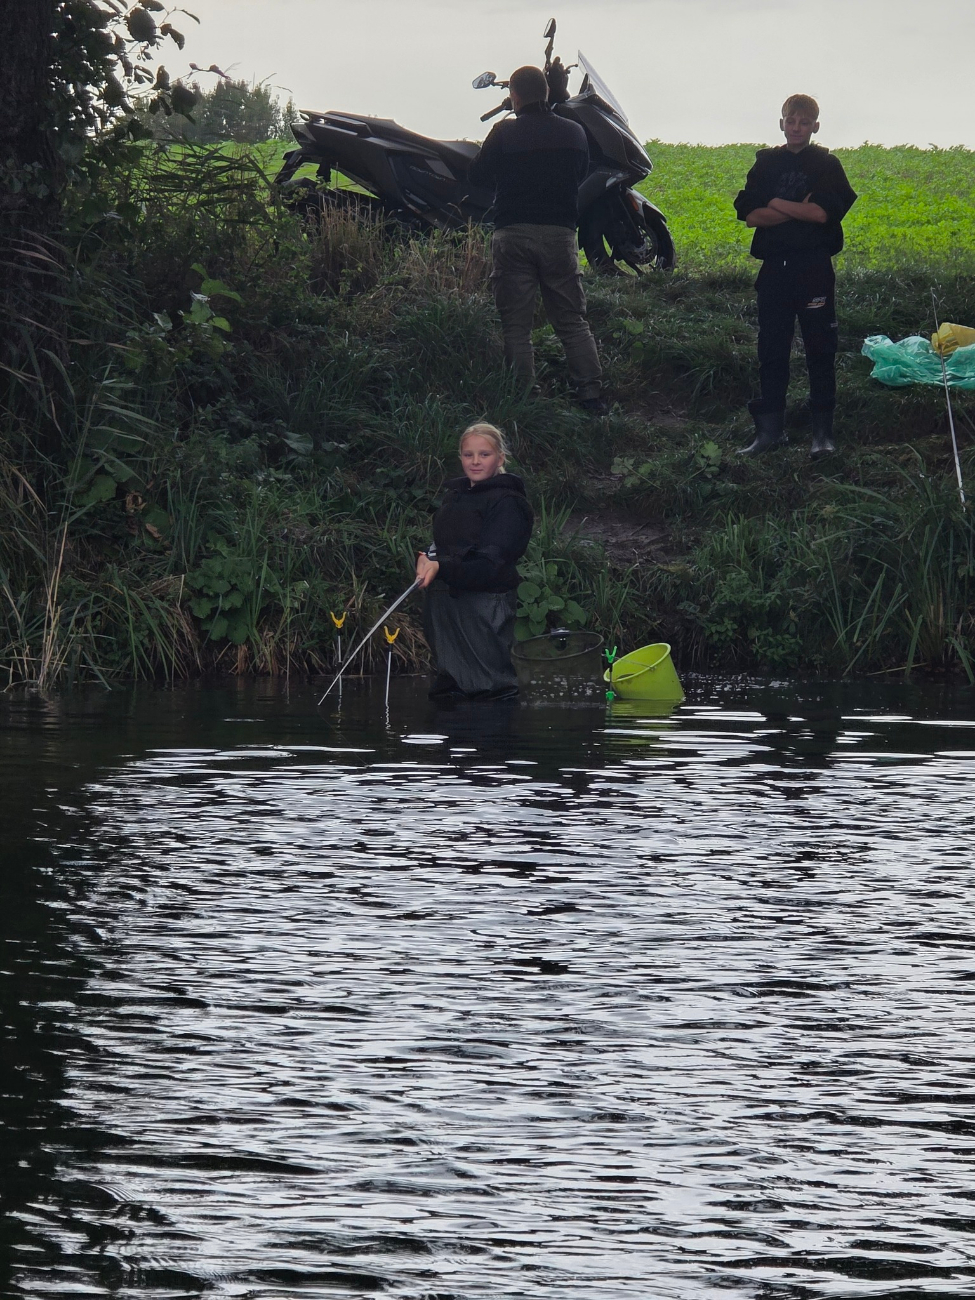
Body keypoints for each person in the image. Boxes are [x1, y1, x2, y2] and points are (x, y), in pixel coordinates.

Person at [468, 64, 607, 415]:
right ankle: (591, 397)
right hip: (560, 235)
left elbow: (479, 176)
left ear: (514, 95)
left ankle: (524, 398)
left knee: (516, 325)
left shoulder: (503, 132)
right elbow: (580, 174)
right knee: (572, 320)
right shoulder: (575, 132)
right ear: (545, 93)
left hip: (513, 233)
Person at [733, 94, 857, 457]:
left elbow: (823, 215)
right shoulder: (766, 163)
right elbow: (751, 216)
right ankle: (770, 432)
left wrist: (774, 204)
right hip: (774, 270)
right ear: (782, 122)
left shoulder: (827, 166)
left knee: (821, 348)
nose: (796, 128)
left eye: (804, 122)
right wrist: (794, 208)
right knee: (771, 349)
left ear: (815, 126)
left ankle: (822, 435)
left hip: (814, 268)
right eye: (791, 120)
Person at [416, 423, 534, 701]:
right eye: (468, 455)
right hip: (445, 601)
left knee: (488, 688)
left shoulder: (509, 503)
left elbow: (492, 565)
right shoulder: (453, 497)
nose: (476, 462)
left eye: (484, 454)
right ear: (460, 458)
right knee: (450, 687)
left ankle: (494, 738)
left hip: (485, 603)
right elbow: (443, 545)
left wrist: (441, 567)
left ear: (500, 458)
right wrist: (427, 559)